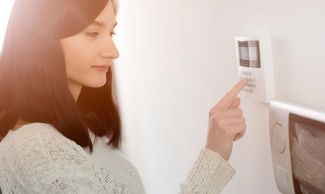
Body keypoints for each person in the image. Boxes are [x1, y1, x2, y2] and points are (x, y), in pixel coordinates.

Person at [0, 0, 248, 193]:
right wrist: (212, 158)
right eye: (92, 34)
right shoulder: (34, 148)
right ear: (40, 40)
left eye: (112, 33)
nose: (113, 51)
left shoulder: (75, 131)